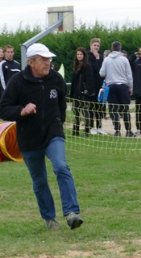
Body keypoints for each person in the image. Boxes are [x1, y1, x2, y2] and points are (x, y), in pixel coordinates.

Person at [0, 43, 83, 230]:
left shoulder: (56, 79)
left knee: (61, 166)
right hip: (28, 138)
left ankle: (72, 213)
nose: (48, 62)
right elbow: (3, 108)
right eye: (43, 59)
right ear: (31, 62)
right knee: (39, 181)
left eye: (49, 59)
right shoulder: (17, 81)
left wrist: (58, 123)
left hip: (53, 133)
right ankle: (49, 219)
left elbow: (62, 104)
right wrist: (22, 110)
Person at [99, 41, 134, 137]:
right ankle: (128, 131)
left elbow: (101, 73)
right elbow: (129, 75)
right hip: (123, 86)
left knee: (113, 109)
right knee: (125, 109)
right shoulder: (124, 59)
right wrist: (131, 87)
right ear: (120, 48)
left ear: (112, 48)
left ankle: (117, 130)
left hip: (111, 86)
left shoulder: (106, 60)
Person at [70, 48, 98, 136]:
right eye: (78, 54)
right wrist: (72, 94)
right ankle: (75, 131)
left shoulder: (87, 66)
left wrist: (87, 92)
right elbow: (74, 81)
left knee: (85, 112)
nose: (79, 56)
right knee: (76, 112)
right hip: (76, 93)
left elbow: (90, 80)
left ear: (84, 55)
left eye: (81, 54)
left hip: (84, 93)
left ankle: (86, 131)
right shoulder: (75, 65)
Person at [86, 37, 107, 134]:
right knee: (91, 107)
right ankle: (90, 127)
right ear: (91, 46)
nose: (96, 47)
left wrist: (98, 58)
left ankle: (99, 127)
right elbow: (92, 69)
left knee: (99, 107)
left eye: (98, 45)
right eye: (94, 45)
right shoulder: (87, 56)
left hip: (100, 86)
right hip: (91, 85)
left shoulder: (101, 57)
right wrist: (96, 59)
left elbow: (102, 70)